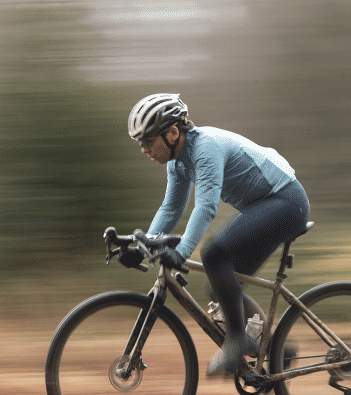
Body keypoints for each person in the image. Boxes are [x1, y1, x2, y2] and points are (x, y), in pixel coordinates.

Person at [128, 93, 310, 377]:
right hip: (267, 205)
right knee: (220, 286)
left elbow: (206, 206)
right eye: (140, 143)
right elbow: (171, 208)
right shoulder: (179, 162)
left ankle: (237, 342)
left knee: (213, 254)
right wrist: (141, 245)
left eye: (148, 141)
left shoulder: (206, 148)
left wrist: (182, 251)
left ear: (173, 133)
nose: (144, 149)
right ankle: (277, 352)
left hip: (286, 203)